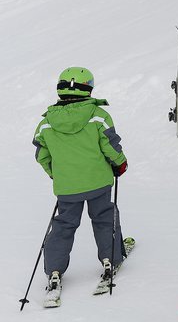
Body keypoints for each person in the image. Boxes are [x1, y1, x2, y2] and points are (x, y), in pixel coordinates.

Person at [32, 67, 128, 306]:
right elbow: (110, 145)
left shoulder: (46, 123)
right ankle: (110, 258)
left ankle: (54, 271)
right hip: (98, 181)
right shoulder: (97, 116)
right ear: (89, 88)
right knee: (104, 217)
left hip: (68, 187)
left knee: (64, 224)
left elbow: (42, 156)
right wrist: (120, 164)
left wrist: (59, 175)